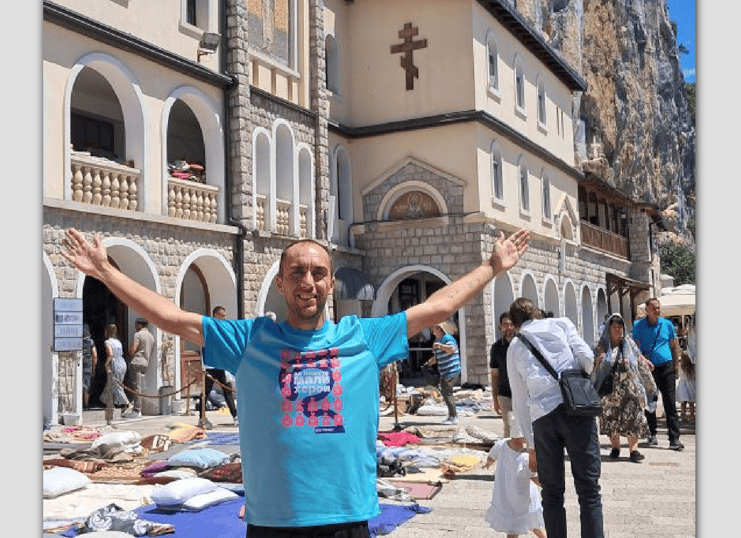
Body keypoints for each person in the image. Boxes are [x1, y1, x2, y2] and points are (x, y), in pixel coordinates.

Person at [61, 226, 530, 536]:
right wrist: (105, 270)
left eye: (318, 273)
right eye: (297, 273)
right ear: (281, 284)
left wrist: (492, 267)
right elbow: (171, 317)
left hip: (347, 514)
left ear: (330, 283)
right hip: (274, 520)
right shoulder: (250, 339)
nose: (309, 281)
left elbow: (438, 307)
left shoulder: (363, 336)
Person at [506, 297, 603, 538]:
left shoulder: (515, 346)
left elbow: (519, 401)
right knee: (589, 490)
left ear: (515, 323)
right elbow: (587, 360)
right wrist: (576, 374)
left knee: (551, 493)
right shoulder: (562, 324)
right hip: (577, 410)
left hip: (543, 417)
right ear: (536, 312)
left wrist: (530, 445)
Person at [592, 313, 654, 463]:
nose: (617, 329)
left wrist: (649, 379)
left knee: (634, 417)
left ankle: (634, 450)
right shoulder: (601, 345)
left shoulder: (629, 343)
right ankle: (616, 447)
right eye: (614, 326)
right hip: (609, 390)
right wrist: (599, 360)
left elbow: (639, 358)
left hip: (630, 387)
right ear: (608, 328)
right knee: (611, 418)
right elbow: (591, 365)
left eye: (619, 326)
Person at [633, 298, 684, 451]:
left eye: (658, 308)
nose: (657, 310)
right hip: (649, 369)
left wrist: (676, 367)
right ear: (647, 310)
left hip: (667, 366)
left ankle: (674, 439)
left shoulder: (667, 324)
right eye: (654, 308)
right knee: (650, 402)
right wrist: (640, 365)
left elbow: (674, 346)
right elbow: (636, 349)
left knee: (670, 403)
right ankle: (652, 432)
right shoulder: (638, 326)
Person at [484, 418, 547, 538]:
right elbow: (492, 455)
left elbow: (533, 476)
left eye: (523, 441)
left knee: (532, 524)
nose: (521, 444)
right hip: (507, 495)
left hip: (524, 496)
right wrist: (488, 463)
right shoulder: (502, 444)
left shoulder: (526, 457)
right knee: (513, 526)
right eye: (517, 441)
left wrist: (543, 484)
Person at [203, 306, 240, 428]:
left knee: (227, 390)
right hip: (210, 365)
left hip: (220, 365)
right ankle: (201, 418)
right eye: (222, 315)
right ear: (216, 315)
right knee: (206, 392)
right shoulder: (210, 327)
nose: (224, 318)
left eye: (225, 316)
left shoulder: (222, 328)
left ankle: (235, 416)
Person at [424, 320, 461, 426]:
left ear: (439, 329)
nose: (432, 330)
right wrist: (428, 363)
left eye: (434, 327)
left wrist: (440, 346)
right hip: (445, 372)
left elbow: (451, 350)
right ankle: (452, 415)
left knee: (447, 393)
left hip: (451, 371)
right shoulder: (438, 340)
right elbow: (436, 357)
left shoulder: (447, 338)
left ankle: (453, 417)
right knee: (446, 393)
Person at [489, 312, 518, 438]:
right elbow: (495, 375)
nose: (509, 328)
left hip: (523, 394)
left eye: (511, 324)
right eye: (505, 325)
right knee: (509, 427)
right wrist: (495, 399)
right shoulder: (496, 348)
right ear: (500, 327)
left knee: (525, 428)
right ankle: (509, 450)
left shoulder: (523, 345)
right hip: (505, 393)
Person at [124, 317, 155, 418]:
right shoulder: (151, 336)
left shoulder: (138, 335)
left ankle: (137, 410)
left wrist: (130, 354)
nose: (135, 326)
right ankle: (137, 408)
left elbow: (133, 349)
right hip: (145, 362)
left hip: (137, 362)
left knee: (136, 387)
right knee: (140, 386)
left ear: (140, 325)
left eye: (136, 324)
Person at [101, 323, 130, 424]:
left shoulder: (108, 342)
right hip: (122, 362)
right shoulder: (118, 342)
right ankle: (107, 402)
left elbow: (110, 354)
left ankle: (126, 403)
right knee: (114, 384)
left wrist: (106, 364)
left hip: (115, 363)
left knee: (115, 385)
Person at [676, 317, 696, 424]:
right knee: (691, 402)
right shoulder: (692, 367)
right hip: (691, 386)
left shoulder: (682, 367)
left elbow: (679, 375)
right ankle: (692, 416)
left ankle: (683, 415)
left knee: (683, 402)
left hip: (683, 387)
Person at [81, 324, 97, 408]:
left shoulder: (77, 341)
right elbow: (94, 355)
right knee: (87, 383)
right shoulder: (91, 342)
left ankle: (79, 403)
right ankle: (86, 403)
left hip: (79, 363)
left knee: (78, 382)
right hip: (88, 364)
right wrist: (94, 368)